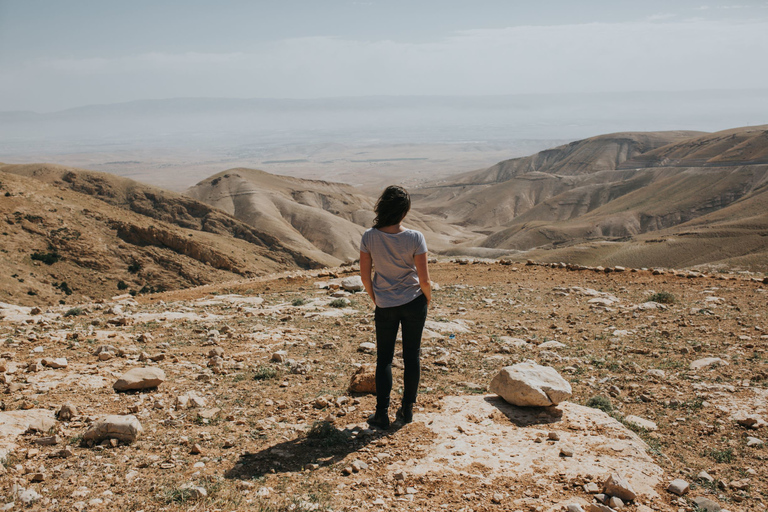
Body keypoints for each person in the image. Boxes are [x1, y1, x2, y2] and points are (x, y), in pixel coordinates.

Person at [359, 185, 431, 429]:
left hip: (385, 304)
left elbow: (365, 276)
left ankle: (381, 414)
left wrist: (376, 299)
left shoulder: (369, 236)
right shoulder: (415, 237)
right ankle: (407, 410)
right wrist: (427, 300)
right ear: (403, 211)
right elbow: (424, 280)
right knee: (412, 357)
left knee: (384, 360)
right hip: (414, 302)